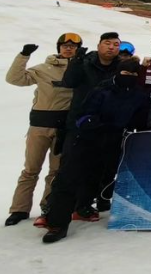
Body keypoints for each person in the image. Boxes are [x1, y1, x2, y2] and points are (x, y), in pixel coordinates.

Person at [41, 58, 149, 243]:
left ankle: (83, 207)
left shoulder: (139, 95)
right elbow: (83, 115)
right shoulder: (102, 90)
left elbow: (138, 120)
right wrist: (95, 125)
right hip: (87, 139)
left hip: (112, 142)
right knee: (69, 178)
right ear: (118, 73)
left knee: (96, 179)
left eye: (133, 74)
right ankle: (57, 222)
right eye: (125, 73)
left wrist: (133, 130)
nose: (129, 77)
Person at [5, 33, 79, 227]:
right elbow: (15, 79)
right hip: (39, 125)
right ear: (59, 47)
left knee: (55, 171)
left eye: (73, 45)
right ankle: (19, 209)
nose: (68, 48)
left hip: (63, 127)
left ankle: (48, 207)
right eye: (64, 45)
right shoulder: (43, 69)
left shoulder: (80, 69)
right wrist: (23, 55)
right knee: (30, 169)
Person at [55, 31, 121, 220]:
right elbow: (69, 82)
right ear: (99, 45)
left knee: (95, 170)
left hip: (105, 127)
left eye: (116, 44)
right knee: (69, 169)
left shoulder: (120, 67)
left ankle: (83, 206)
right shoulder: (85, 63)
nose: (111, 47)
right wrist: (76, 61)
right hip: (79, 125)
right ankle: (55, 212)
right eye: (107, 43)